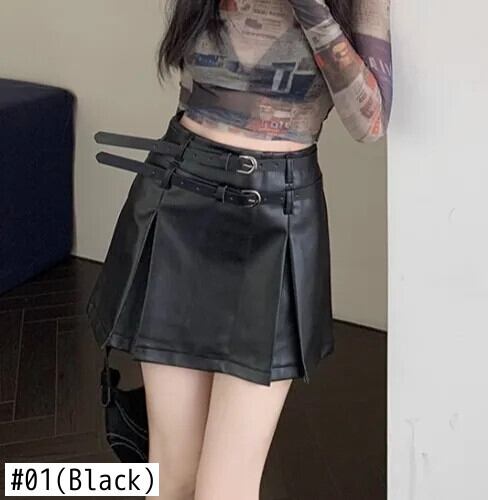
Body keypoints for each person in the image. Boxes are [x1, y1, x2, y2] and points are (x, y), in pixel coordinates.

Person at [86, 0, 392, 499]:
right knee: (171, 474)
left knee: (224, 487)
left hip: (277, 217)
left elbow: (369, 123)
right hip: (180, 196)